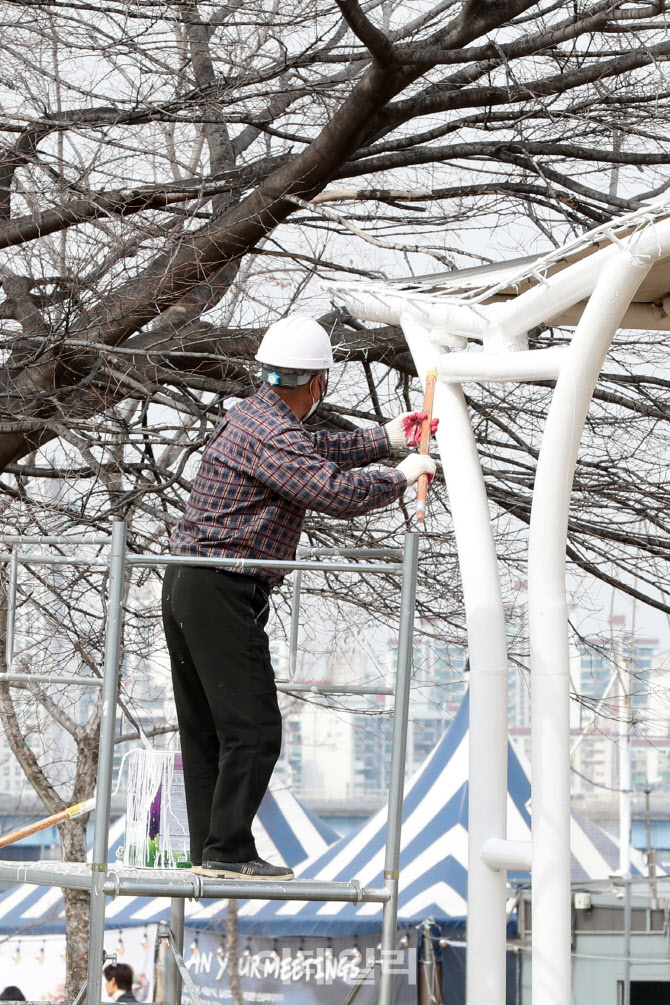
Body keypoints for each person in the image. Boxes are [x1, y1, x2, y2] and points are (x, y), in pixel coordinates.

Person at [162, 315, 437, 880]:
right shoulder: (273, 432)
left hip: (190, 581)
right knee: (255, 728)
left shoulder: (254, 417)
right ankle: (229, 850)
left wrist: (384, 438)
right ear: (317, 383)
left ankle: (212, 850)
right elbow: (330, 490)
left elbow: (318, 450)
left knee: (208, 727)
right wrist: (401, 475)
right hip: (221, 584)